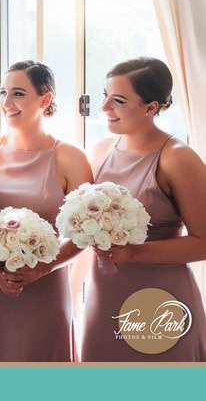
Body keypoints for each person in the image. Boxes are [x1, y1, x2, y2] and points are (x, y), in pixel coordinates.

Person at [82, 57, 206, 361]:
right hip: (104, 294)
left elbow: (203, 242)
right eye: (105, 96)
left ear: (150, 108)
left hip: (159, 301)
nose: (104, 108)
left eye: (119, 101)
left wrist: (133, 253)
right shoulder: (99, 152)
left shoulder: (177, 158)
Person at [0, 60, 93, 361]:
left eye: (18, 94)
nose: (7, 103)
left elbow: (86, 231)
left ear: (46, 98)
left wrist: (42, 268)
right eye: (4, 93)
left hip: (45, 286)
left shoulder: (70, 157)